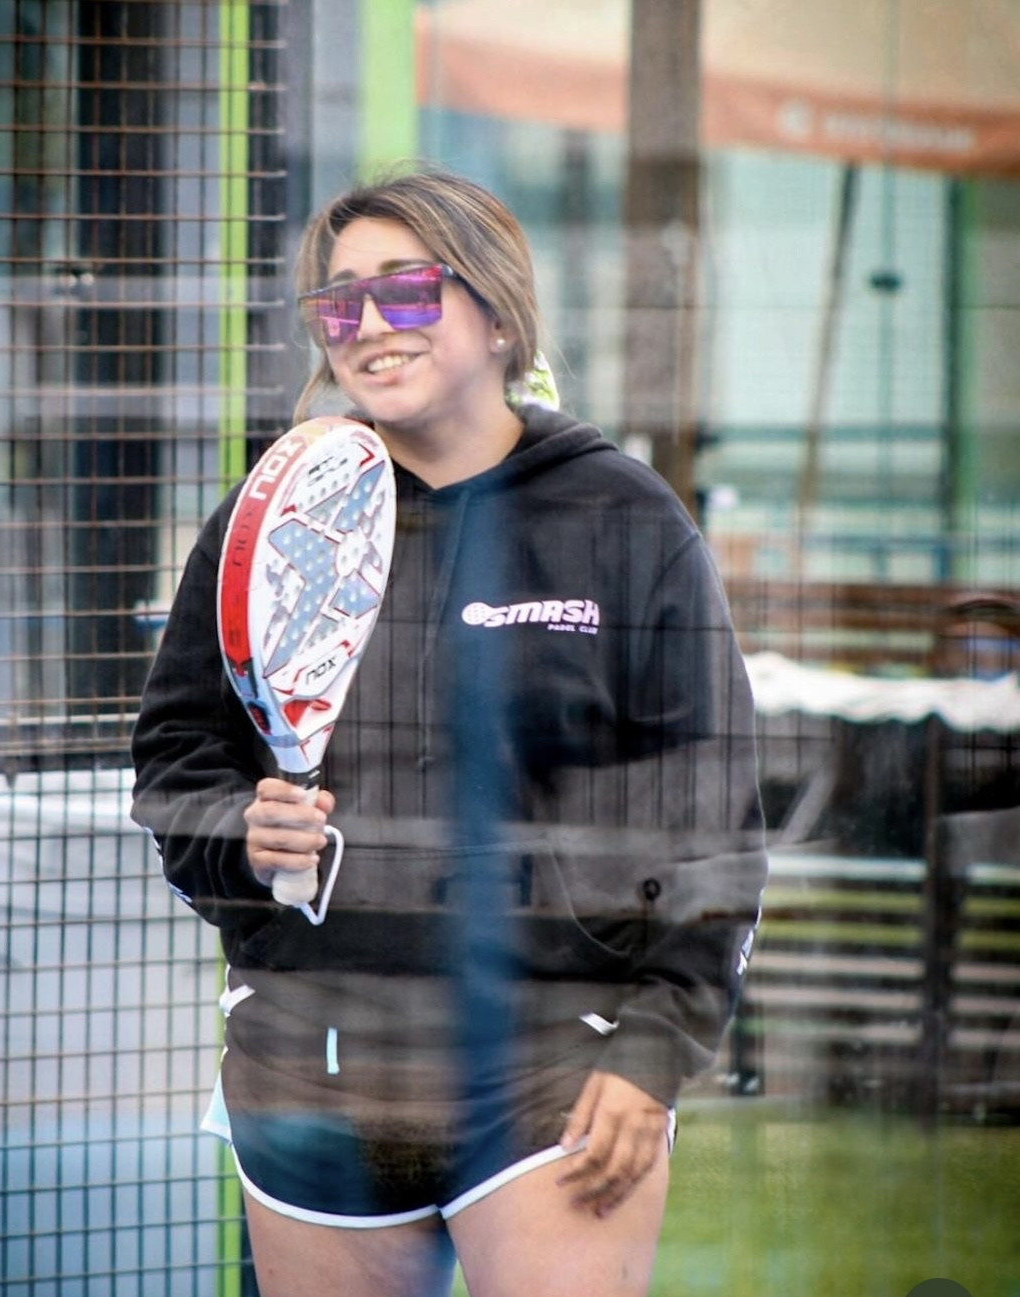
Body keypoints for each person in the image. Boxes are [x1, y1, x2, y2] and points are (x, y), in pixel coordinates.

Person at [131, 167, 767, 1297]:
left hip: (552, 1064)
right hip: (311, 1066)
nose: (370, 325)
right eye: (340, 303)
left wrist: (655, 1048)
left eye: (408, 289)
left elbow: (712, 818)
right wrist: (241, 837)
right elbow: (178, 759)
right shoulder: (273, 518)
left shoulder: (620, 517)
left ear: (497, 312)